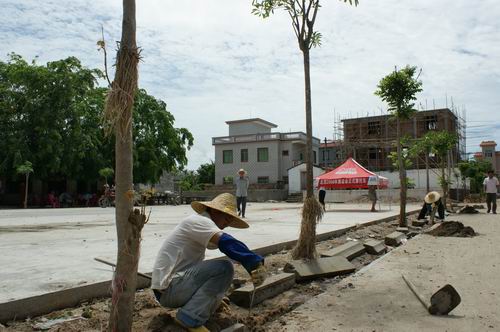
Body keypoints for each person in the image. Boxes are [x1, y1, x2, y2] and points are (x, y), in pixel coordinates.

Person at [152, 193, 266, 332]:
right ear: (214, 211)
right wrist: (254, 262)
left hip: (171, 288)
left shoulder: (200, 224)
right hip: (169, 289)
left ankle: (197, 307)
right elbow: (226, 242)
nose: (227, 223)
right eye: (227, 217)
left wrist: (213, 299)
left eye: (230, 220)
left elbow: (224, 247)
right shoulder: (198, 221)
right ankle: (189, 319)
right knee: (224, 268)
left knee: (218, 266)